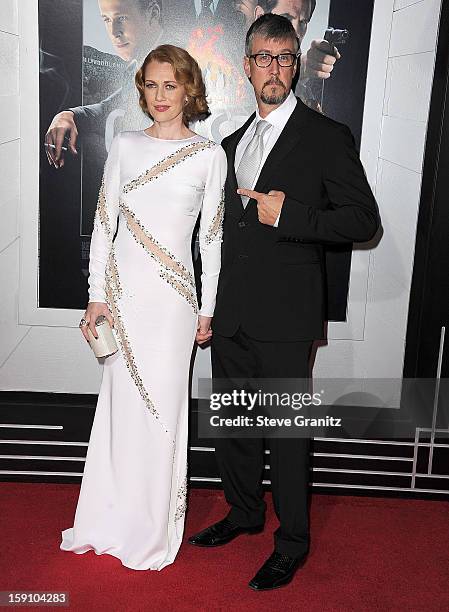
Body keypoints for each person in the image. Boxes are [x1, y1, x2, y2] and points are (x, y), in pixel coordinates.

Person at [188, 14, 380, 590]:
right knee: (236, 427)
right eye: (263, 57)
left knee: (288, 434)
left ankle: (292, 541)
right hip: (231, 317)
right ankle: (244, 514)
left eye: (284, 57)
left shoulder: (328, 137)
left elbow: (363, 221)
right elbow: (216, 237)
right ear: (246, 65)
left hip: (287, 320)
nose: (274, 68)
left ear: (295, 64)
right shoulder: (228, 143)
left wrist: (290, 215)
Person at [60, 44, 227, 570]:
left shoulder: (209, 156)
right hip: (123, 299)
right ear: (142, 90)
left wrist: (209, 308)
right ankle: (109, 518)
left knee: (163, 416)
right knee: (118, 411)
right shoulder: (127, 146)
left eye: (170, 85)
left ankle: (152, 529)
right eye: (151, 86)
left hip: (174, 305)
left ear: (189, 90)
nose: (160, 96)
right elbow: (104, 224)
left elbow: (213, 240)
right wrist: (96, 295)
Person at [45, 0, 165, 169]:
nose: (114, 32)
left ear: (153, 13)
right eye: (107, 20)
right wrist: (69, 115)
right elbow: (109, 107)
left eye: (122, 18)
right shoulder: (135, 66)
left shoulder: (186, 59)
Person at [236, 0, 342, 111]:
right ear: (260, 16)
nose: (296, 33)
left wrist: (303, 71)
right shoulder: (227, 63)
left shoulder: (304, 78)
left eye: (303, 22)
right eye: (286, 18)